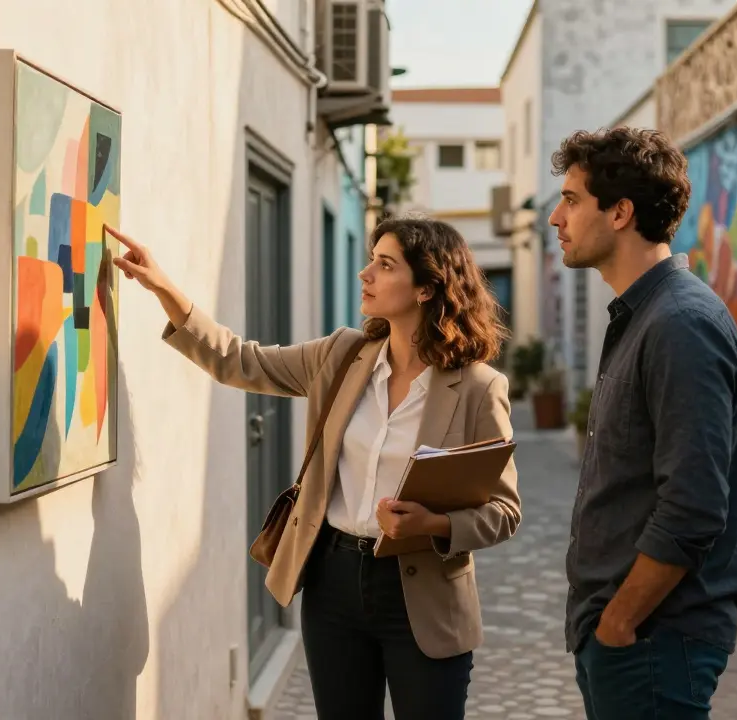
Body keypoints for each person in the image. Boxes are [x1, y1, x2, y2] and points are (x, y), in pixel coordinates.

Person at [108, 216, 520, 720]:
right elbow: (242, 361)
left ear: (427, 287)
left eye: (384, 265)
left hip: (426, 596)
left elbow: (503, 510)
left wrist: (433, 524)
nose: (365, 273)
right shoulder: (343, 356)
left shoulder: (478, 388)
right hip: (335, 583)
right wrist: (163, 287)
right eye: (371, 260)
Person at [547, 127, 737, 718]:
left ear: (620, 212)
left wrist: (619, 623)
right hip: (626, 637)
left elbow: (691, 506)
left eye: (572, 199)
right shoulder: (643, 316)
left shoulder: (680, 324)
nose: (557, 217)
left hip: (653, 640)